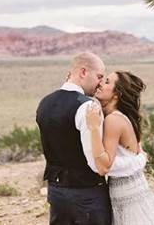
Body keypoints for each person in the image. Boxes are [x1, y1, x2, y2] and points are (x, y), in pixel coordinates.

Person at [36, 52, 112, 225]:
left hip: (55, 193)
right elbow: (95, 163)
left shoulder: (44, 103)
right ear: (84, 72)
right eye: (99, 76)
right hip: (86, 195)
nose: (100, 83)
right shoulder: (87, 106)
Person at [86, 71, 154, 225]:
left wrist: (93, 128)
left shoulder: (113, 120)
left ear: (116, 94)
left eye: (107, 82)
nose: (100, 84)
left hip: (131, 204)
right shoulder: (117, 116)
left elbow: (105, 165)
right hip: (128, 196)